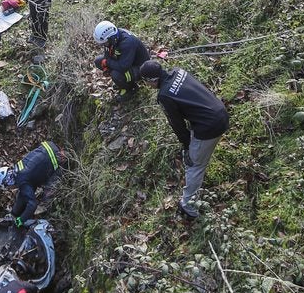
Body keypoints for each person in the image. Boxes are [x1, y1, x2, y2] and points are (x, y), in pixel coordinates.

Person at [139, 60, 229, 220]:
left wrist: (187, 146)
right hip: (219, 111)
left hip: (209, 125)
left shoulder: (164, 95)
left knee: (193, 164)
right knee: (197, 155)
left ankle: (189, 207)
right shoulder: (178, 71)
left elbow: (177, 125)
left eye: (146, 82)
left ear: (152, 80)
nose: (147, 86)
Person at [0, 139, 66, 225]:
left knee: (48, 197)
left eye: (6, 186)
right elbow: (23, 195)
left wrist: (21, 220)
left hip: (59, 159)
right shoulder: (18, 170)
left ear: (8, 182)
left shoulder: (22, 181)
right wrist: (13, 214)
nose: (9, 188)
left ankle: (56, 221)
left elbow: (32, 204)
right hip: (51, 146)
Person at [92, 21, 151, 97]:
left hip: (140, 68)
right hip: (127, 60)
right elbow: (107, 52)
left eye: (105, 43)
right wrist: (106, 65)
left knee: (116, 74)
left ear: (112, 38)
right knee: (98, 61)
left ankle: (131, 88)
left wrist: (108, 62)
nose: (104, 45)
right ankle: (123, 82)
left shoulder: (127, 42)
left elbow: (123, 67)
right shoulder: (115, 37)